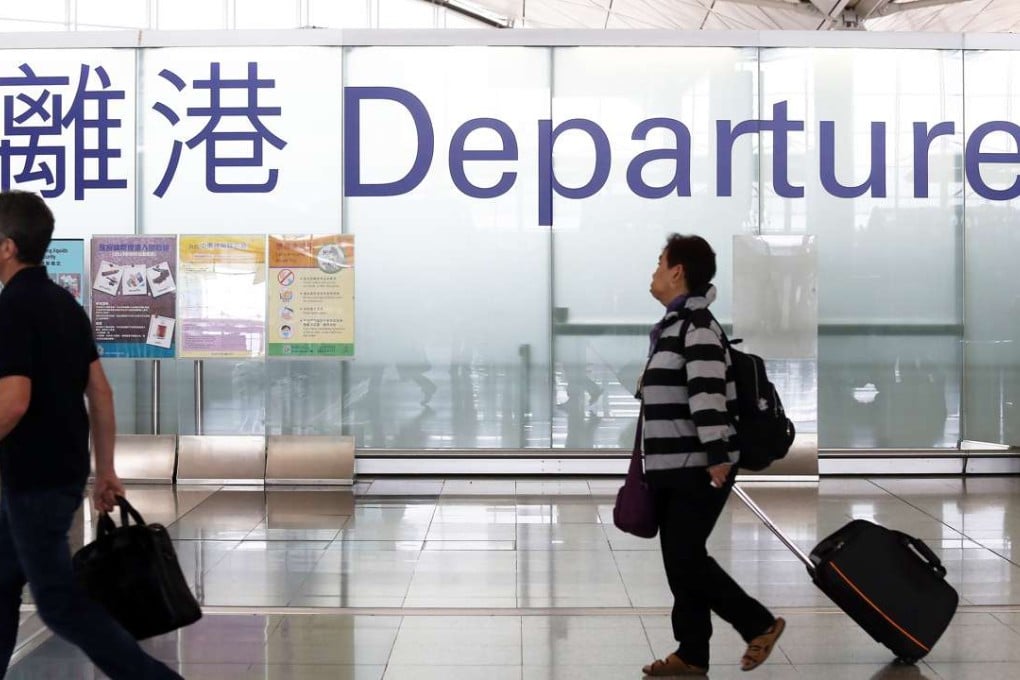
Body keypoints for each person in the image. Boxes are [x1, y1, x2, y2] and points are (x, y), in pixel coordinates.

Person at [0, 191, 182, 679]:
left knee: (59, 603)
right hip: (59, 472)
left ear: (8, 247)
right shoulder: (64, 304)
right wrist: (106, 470)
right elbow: (100, 392)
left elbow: (13, 401)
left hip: (32, 478)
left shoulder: (12, 306)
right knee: (2, 580)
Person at [639, 233, 785, 676]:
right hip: (672, 465)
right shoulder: (673, 326)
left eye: (659, 262)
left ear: (678, 271)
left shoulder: (698, 326)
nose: (654, 271)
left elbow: (707, 393)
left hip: (698, 466)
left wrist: (717, 454)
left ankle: (758, 623)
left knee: (686, 557)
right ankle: (691, 654)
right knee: (679, 562)